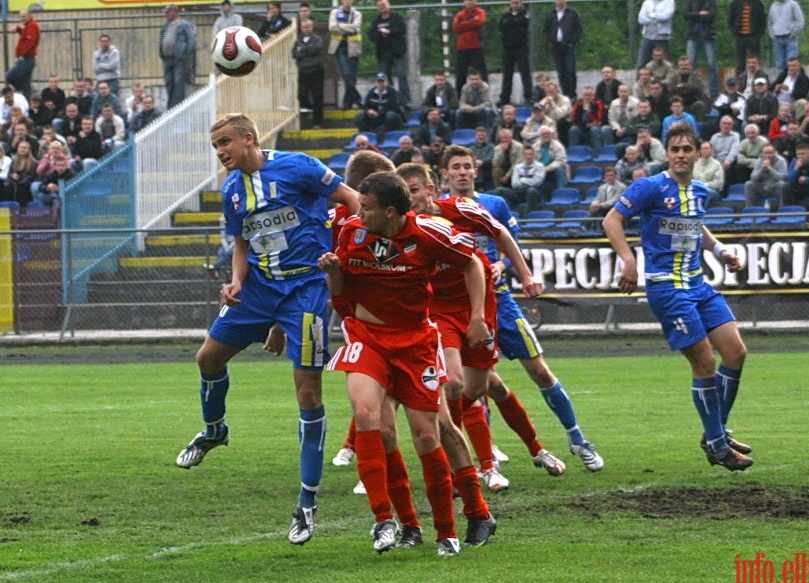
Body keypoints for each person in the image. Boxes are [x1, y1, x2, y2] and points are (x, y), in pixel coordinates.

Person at [174, 113, 359, 547]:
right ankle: (215, 430)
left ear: (248, 139)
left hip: (307, 291)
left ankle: (307, 502)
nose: (220, 152)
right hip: (258, 288)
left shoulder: (299, 166)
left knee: (308, 393)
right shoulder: (233, 189)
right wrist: (236, 281)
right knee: (207, 358)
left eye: (224, 143)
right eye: (215, 145)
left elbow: (351, 199)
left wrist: (343, 258)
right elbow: (242, 244)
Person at [321, 172, 483, 556]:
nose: (358, 211)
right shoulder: (351, 231)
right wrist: (333, 274)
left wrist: (477, 318)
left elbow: (472, 263)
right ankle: (387, 519)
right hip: (367, 336)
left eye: (367, 206)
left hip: (415, 343)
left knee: (428, 435)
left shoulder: (428, 233)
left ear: (391, 212)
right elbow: (342, 289)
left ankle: (447, 530)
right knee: (366, 414)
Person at [442, 146, 605, 472]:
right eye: (455, 167)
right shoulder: (439, 212)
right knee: (480, 383)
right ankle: (485, 459)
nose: (462, 172)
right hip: (461, 310)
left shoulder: (494, 205)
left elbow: (509, 243)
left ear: (476, 171)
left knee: (540, 371)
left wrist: (504, 265)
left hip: (501, 300)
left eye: (467, 166)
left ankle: (578, 439)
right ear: (445, 173)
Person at [603, 121, 753, 472]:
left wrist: (720, 251)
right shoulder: (649, 187)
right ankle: (717, 445)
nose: (681, 155)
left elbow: (694, 227)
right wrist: (628, 260)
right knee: (704, 361)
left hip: (698, 284)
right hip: (667, 287)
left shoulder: (699, 191)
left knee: (736, 352)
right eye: (675, 149)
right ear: (667, 153)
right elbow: (611, 220)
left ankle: (715, 431)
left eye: (688, 149)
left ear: (699, 152)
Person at [369, 0, 410, 107]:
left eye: (384, 5)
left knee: (401, 76)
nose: (382, 7)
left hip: (397, 52)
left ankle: (406, 101)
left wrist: (389, 32)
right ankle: (389, 100)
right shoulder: (376, 20)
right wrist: (380, 34)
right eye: (380, 6)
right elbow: (371, 35)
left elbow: (402, 29)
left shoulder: (396, 17)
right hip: (383, 53)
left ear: (389, 6)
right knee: (385, 78)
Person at [542, 0, 583, 99]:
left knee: (570, 70)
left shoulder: (572, 13)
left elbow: (578, 29)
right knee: (561, 71)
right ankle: (565, 94)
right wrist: (551, 42)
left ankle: (572, 94)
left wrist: (571, 42)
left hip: (568, 46)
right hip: (556, 46)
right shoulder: (551, 14)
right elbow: (546, 30)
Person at [158, 4, 196, 109]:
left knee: (178, 82)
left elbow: (191, 39)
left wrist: (185, 54)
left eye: (168, 12)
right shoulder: (165, 26)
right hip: (167, 58)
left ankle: (178, 105)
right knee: (169, 82)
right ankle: (170, 105)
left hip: (179, 58)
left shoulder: (184, 24)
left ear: (175, 12)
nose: (166, 14)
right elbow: (161, 39)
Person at [328, 0, 363, 111]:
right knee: (346, 73)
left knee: (352, 76)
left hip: (353, 47)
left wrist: (340, 26)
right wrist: (348, 27)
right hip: (339, 47)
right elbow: (332, 27)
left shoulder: (357, 13)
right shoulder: (334, 12)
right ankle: (357, 99)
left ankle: (347, 103)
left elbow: (356, 28)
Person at [498, 0, 533, 106]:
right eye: (513, 3)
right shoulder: (505, 15)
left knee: (525, 73)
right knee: (507, 74)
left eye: (517, 3)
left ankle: (529, 96)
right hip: (508, 49)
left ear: (521, 3)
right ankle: (505, 97)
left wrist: (510, 22)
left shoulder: (525, 13)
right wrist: (512, 22)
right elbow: (501, 26)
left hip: (521, 48)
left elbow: (523, 22)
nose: (515, 5)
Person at [293, 19, 325, 129]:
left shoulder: (317, 39)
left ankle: (318, 123)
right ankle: (308, 108)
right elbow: (294, 54)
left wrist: (303, 50)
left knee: (317, 96)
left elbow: (317, 49)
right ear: (301, 28)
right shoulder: (298, 40)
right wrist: (307, 51)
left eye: (308, 27)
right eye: (304, 27)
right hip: (303, 71)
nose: (306, 29)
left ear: (312, 27)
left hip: (316, 71)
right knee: (301, 94)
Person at [452, 0, 488, 98]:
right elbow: (455, 27)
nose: (469, 2)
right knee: (460, 75)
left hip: (476, 47)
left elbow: (479, 22)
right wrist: (471, 23)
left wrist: (463, 24)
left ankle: (484, 97)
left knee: (481, 73)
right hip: (462, 48)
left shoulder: (480, 12)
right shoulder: (460, 14)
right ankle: (460, 98)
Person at [496, 144, 545, 213]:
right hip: (519, 193)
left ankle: (528, 218)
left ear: (534, 155)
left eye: (530, 154)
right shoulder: (517, 167)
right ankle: (509, 215)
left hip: (534, 193)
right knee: (500, 190)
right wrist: (529, 181)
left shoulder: (540, 166)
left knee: (531, 190)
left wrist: (522, 180)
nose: (528, 157)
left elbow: (537, 182)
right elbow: (514, 184)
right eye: (526, 154)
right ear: (523, 155)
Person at [684, 0, 719, 96]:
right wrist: (700, 14)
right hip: (692, 36)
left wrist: (694, 15)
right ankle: (691, 90)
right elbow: (686, 15)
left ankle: (714, 93)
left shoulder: (711, 2)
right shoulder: (690, 2)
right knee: (689, 65)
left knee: (712, 66)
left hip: (708, 36)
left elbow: (711, 16)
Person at [782, 140, 809, 211]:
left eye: (803, 154)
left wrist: (807, 179)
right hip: (798, 186)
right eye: (798, 154)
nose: (800, 156)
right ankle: (786, 210)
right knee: (786, 186)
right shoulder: (794, 161)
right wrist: (796, 169)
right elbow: (790, 178)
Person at [6, 10, 40, 98]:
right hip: (27, 58)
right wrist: (18, 29)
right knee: (26, 87)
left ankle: (24, 89)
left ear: (29, 16)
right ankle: (28, 97)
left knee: (10, 76)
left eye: (24, 16)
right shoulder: (29, 26)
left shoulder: (32, 25)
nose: (22, 19)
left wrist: (23, 54)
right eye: (21, 17)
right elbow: (26, 35)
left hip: (26, 59)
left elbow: (30, 42)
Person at [745, 143, 787, 208]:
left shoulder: (781, 161)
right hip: (762, 188)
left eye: (770, 153)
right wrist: (762, 169)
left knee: (782, 184)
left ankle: (783, 211)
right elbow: (753, 178)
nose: (768, 155)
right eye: (765, 153)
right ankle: (750, 211)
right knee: (748, 184)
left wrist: (769, 168)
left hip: (775, 188)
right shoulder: (759, 161)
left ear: (775, 153)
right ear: (762, 154)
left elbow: (782, 178)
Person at [768, 0, 804, 74]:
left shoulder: (793, 4)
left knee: (792, 62)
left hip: (789, 38)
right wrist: (772, 35)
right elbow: (770, 22)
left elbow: (800, 20)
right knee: (780, 64)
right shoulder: (773, 6)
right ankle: (783, 81)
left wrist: (793, 33)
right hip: (777, 39)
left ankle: (793, 81)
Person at [727, 0, 765, 71]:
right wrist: (734, 32)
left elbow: (762, 22)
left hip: (753, 36)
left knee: (754, 60)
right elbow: (730, 19)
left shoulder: (758, 4)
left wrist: (758, 36)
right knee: (740, 61)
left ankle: (756, 80)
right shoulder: (735, 4)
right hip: (740, 36)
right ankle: (741, 80)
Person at [637, 0, 675, 70]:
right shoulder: (647, 2)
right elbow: (641, 19)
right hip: (647, 37)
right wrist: (653, 19)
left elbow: (666, 16)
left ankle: (664, 80)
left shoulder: (669, 2)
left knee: (663, 63)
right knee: (642, 63)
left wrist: (651, 15)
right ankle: (639, 80)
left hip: (662, 38)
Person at [568, 86, 606, 155]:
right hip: (582, 127)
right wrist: (586, 125)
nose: (587, 98)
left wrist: (591, 118)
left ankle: (597, 154)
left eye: (589, 95)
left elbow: (600, 119)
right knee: (573, 129)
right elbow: (574, 119)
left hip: (595, 127)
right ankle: (573, 153)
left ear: (593, 95)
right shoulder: (578, 104)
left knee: (594, 130)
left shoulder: (598, 103)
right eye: (585, 96)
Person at [533, 126, 568, 195]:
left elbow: (560, 161)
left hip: (553, 170)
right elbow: (533, 161)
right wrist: (540, 168)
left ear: (552, 135)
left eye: (548, 133)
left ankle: (560, 194)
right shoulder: (535, 146)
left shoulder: (558, 146)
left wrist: (546, 169)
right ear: (539, 136)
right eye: (543, 134)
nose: (546, 135)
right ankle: (540, 198)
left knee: (559, 169)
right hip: (540, 170)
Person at [604, 84, 640, 149]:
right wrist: (618, 128)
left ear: (629, 92)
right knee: (605, 129)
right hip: (617, 128)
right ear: (618, 93)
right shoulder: (614, 103)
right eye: (621, 92)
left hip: (630, 127)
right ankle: (610, 150)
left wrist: (624, 129)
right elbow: (611, 119)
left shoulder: (636, 102)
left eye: (625, 91)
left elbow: (635, 119)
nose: (623, 93)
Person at [692, 140, 724, 205]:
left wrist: (703, 186)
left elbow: (718, 183)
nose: (704, 150)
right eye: (702, 149)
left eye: (706, 148)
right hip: (696, 189)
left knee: (705, 192)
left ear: (712, 150)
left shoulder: (717, 164)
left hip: (713, 191)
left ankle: (701, 213)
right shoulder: (695, 164)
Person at [8, 139, 37, 206]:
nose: (22, 149)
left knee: (20, 188)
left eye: (25, 148)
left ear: (29, 150)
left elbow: (33, 176)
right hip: (14, 183)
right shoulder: (14, 161)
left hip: (26, 184)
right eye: (20, 147)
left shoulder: (34, 163)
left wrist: (20, 179)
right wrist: (12, 176)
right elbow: (9, 174)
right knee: (8, 187)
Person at [471, 126, 494, 191]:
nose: (481, 137)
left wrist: (482, 162)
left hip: (487, 169)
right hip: (474, 167)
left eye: (483, 135)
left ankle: (479, 186)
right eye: (479, 135)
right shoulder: (471, 148)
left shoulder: (491, 147)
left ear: (487, 137)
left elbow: (491, 158)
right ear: (475, 137)